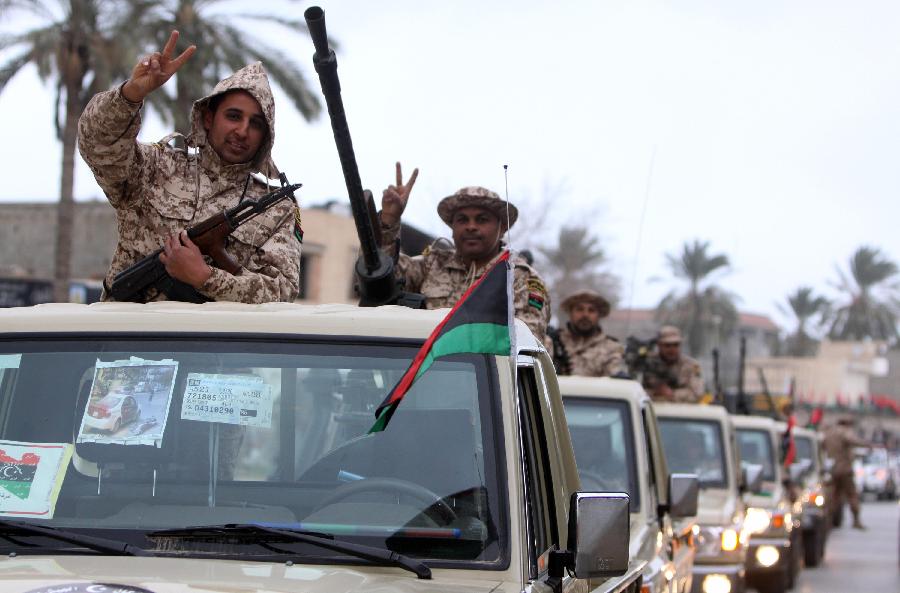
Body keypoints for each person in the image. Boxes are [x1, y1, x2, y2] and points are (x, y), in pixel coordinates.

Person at [78, 30, 301, 303]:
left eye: (255, 124)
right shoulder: (156, 168)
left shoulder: (277, 209)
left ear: (265, 136)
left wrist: (205, 278)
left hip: (209, 343)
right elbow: (97, 143)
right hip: (128, 335)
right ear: (208, 118)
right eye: (233, 116)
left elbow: (282, 292)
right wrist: (132, 94)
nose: (243, 131)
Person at [379, 164, 550, 341]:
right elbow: (381, 280)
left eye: (482, 220)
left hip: (484, 368)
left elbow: (526, 343)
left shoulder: (519, 278)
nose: (471, 227)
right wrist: (388, 222)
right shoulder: (432, 265)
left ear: (502, 228)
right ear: (452, 227)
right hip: (425, 366)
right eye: (462, 220)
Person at [551, 290, 626, 377]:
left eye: (591, 310)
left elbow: (614, 372)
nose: (585, 315)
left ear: (599, 315)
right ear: (570, 313)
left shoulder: (612, 347)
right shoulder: (554, 341)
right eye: (579, 309)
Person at [822, 416, 870, 529]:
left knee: (832, 496)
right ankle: (856, 520)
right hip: (845, 469)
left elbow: (823, 446)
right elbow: (852, 440)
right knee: (852, 494)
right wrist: (868, 444)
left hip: (832, 469)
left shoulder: (829, 433)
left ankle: (827, 520)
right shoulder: (844, 432)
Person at [642, 326, 704, 402]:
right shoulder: (647, 363)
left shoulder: (691, 365)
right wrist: (655, 393)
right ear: (659, 345)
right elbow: (635, 393)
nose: (672, 349)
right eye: (667, 345)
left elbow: (697, 394)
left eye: (676, 345)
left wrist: (671, 394)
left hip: (682, 411)